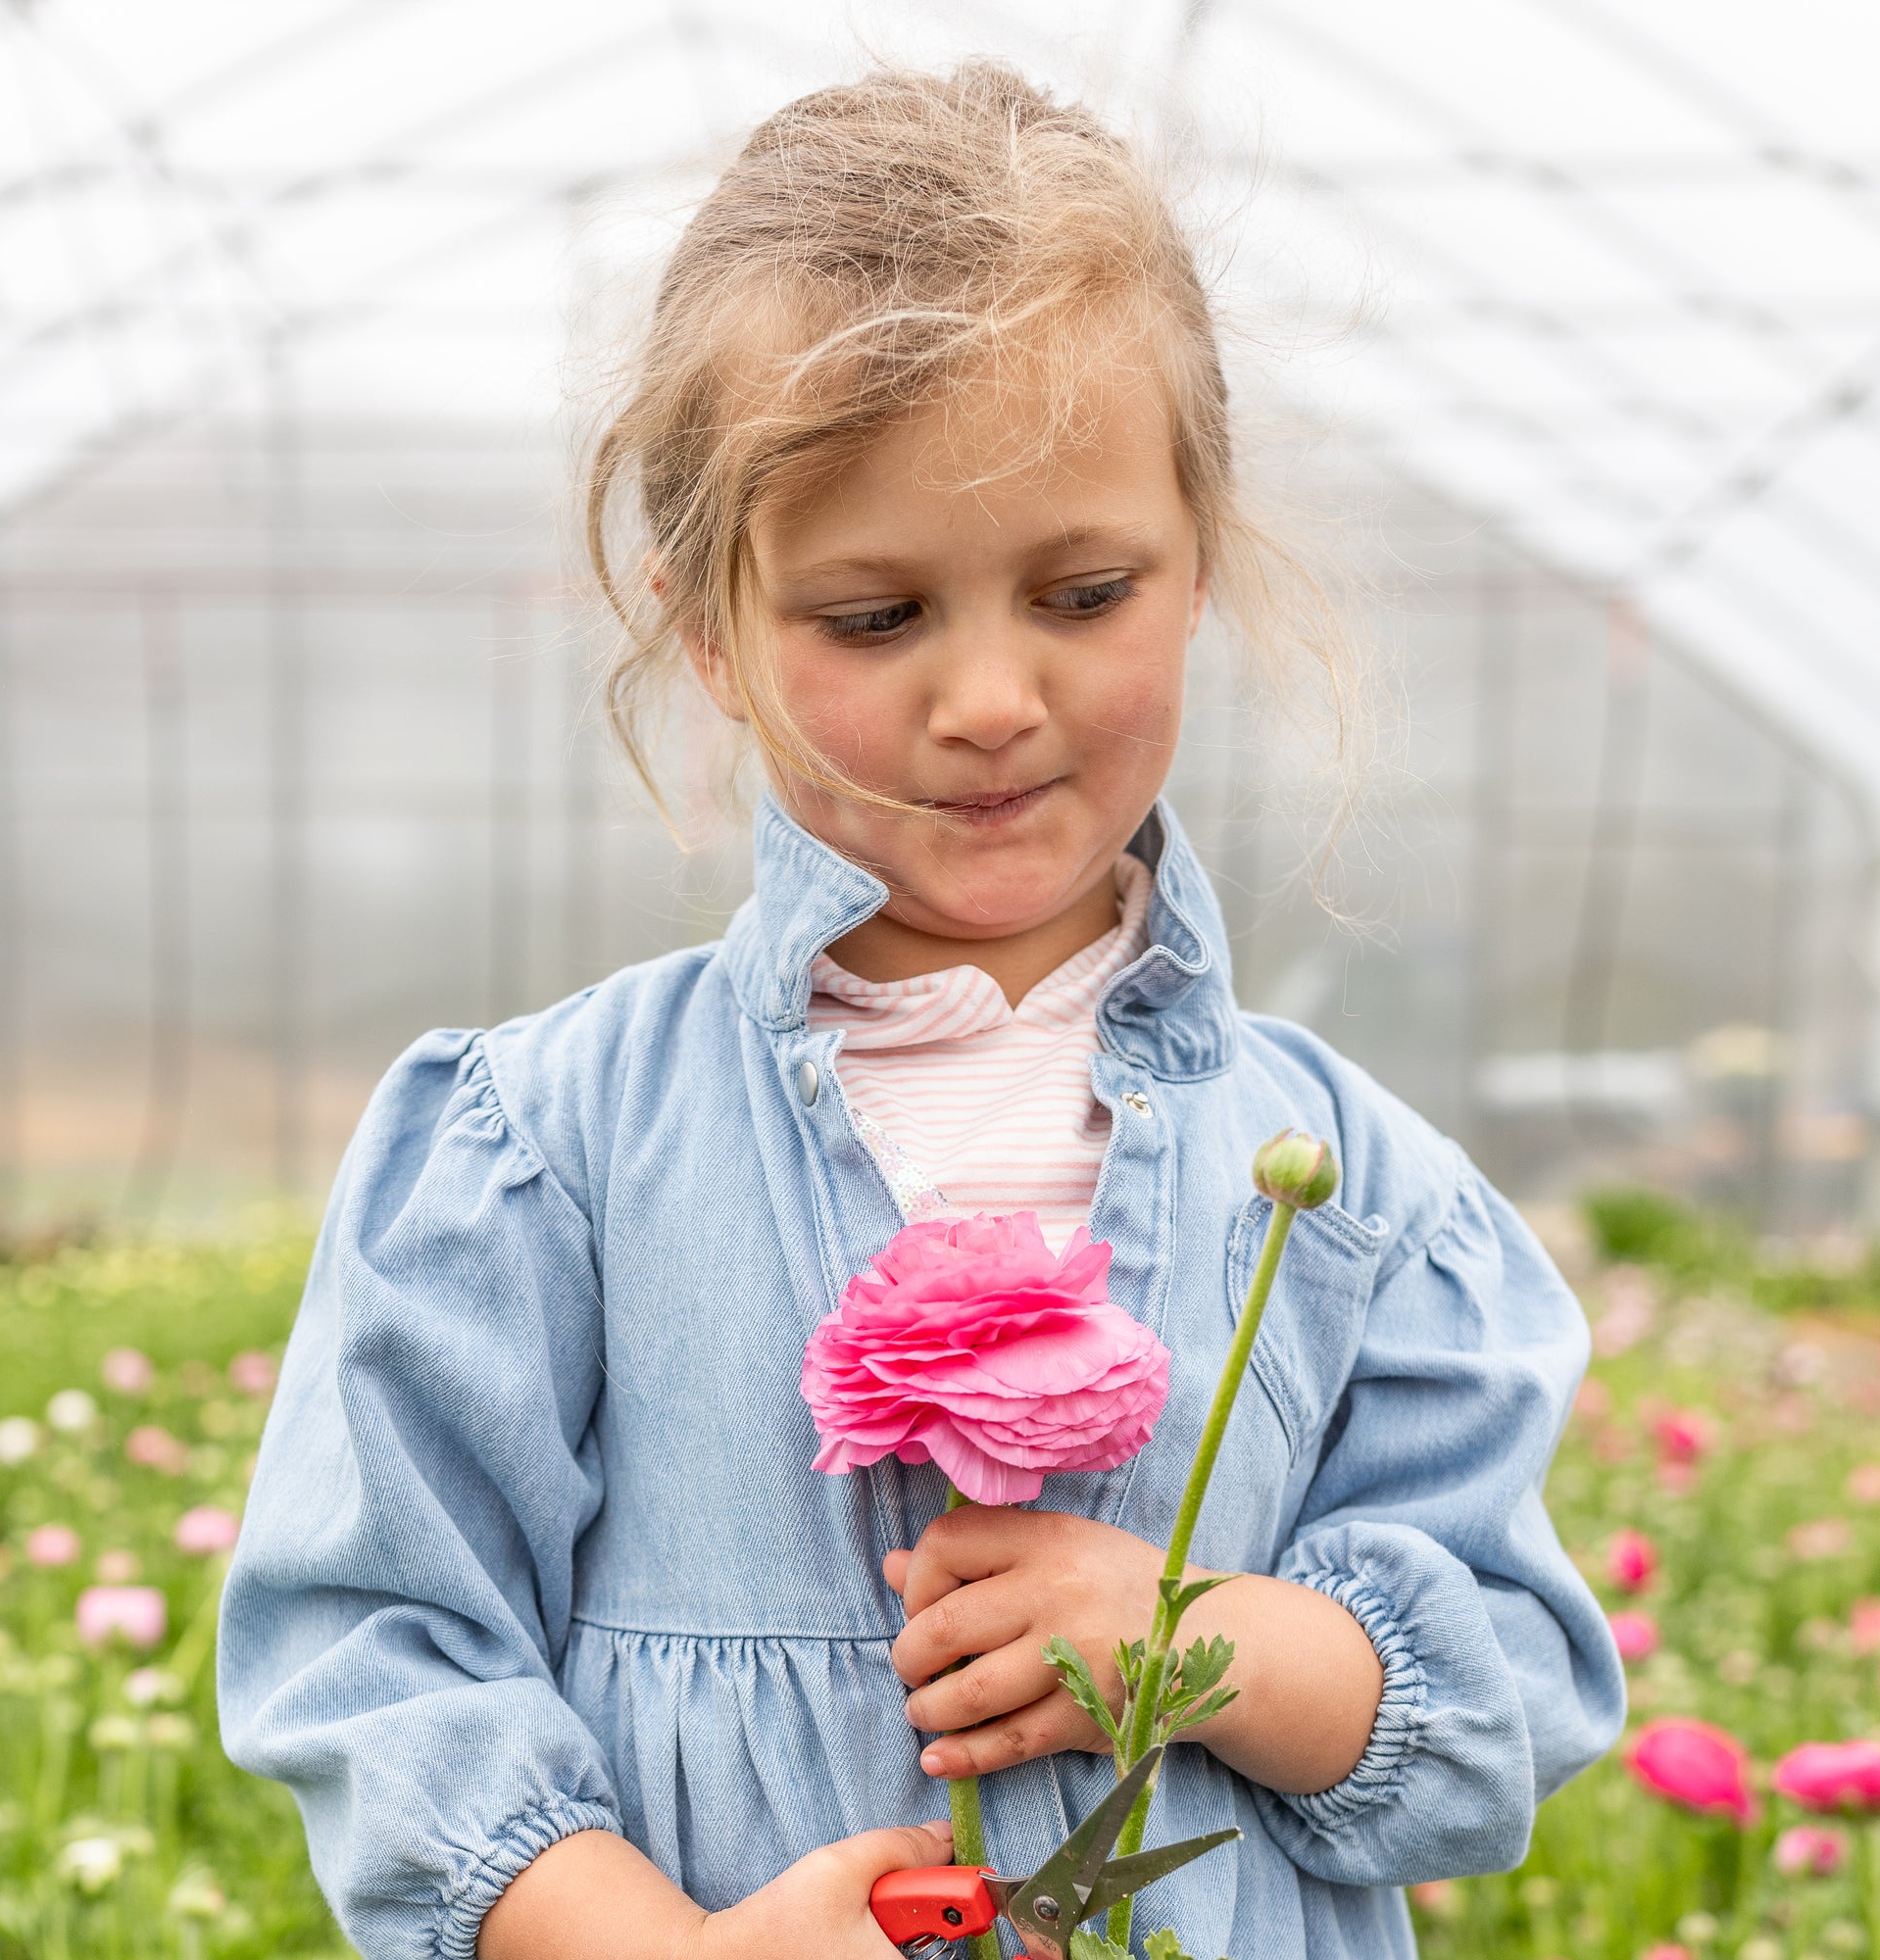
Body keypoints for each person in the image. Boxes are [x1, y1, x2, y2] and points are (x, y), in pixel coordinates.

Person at [218, 62, 1623, 1960]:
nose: (985, 697)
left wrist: (1197, 1646)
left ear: (1197, 559)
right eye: (873, 616)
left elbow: (1508, 1696)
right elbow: (373, 1654)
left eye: (1084, 588)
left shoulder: (1356, 1189)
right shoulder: (542, 1147)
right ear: (706, 623)